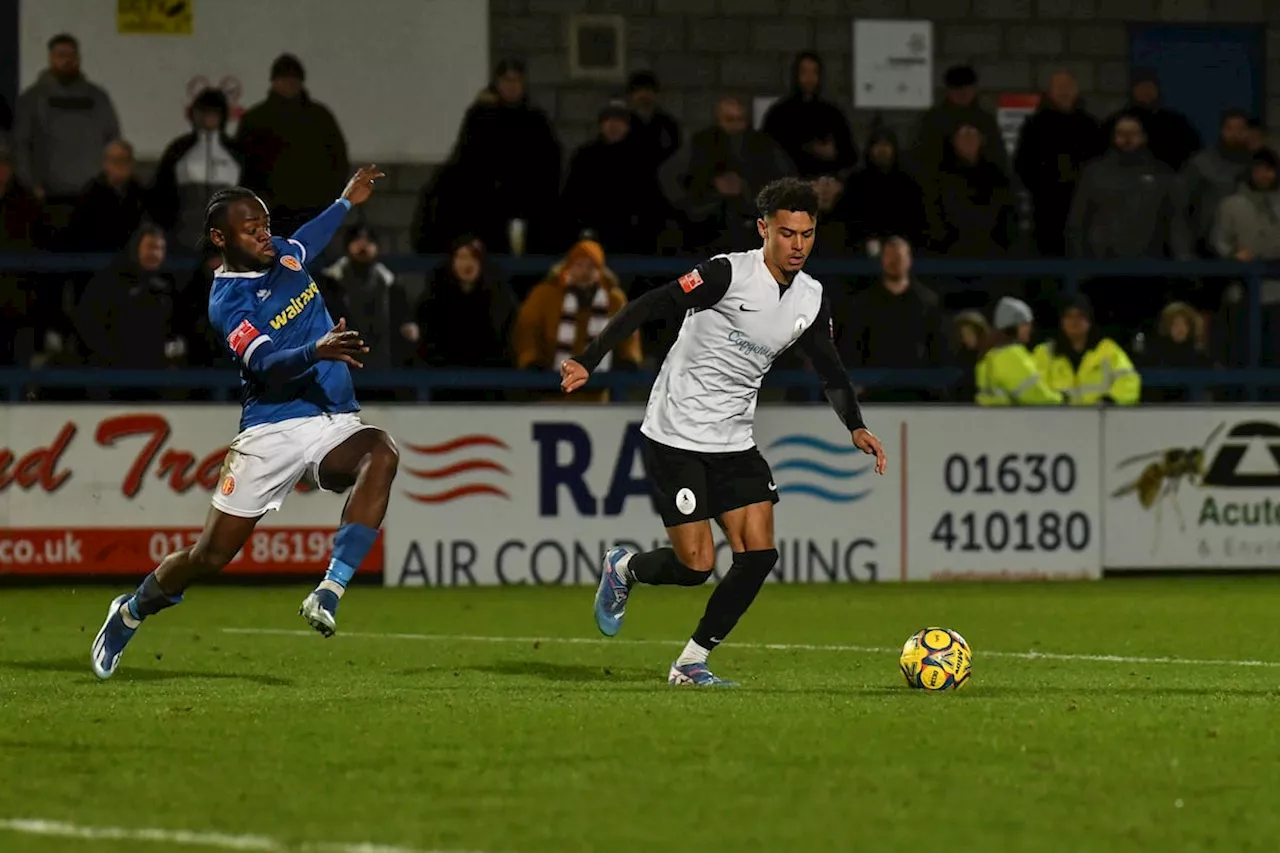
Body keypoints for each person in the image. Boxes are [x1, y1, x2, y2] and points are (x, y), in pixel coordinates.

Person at [559, 178, 887, 686]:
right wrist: (589, 359)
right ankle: (623, 569)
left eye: (807, 234)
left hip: (734, 439)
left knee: (758, 554)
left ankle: (691, 662)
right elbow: (652, 304)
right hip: (676, 431)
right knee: (695, 566)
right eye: (786, 233)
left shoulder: (811, 297)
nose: (797, 244)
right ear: (763, 230)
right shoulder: (727, 274)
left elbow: (829, 367)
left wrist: (856, 426)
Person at [90, 165, 398, 680]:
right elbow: (265, 365)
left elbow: (309, 238)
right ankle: (130, 610)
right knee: (210, 556)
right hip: (270, 430)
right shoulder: (226, 301)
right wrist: (316, 348)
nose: (263, 233)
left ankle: (329, 590)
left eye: (265, 223)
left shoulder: (287, 255)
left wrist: (347, 200)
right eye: (250, 228)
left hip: (331, 421)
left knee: (381, 452)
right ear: (220, 237)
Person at [1031, 295, 1141, 405]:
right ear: (1061, 321)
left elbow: (1129, 382)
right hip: (1057, 420)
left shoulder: (1108, 350)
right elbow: (1035, 389)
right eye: (1069, 316)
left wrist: (1111, 402)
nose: (1074, 321)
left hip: (1100, 418)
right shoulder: (1045, 353)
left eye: (1080, 316)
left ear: (1089, 321)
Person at [975, 297, 1063, 406]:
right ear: (1013, 326)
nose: (1030, 329)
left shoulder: (989, 355)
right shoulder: (1011, 355)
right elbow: (1036, 395)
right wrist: (1062, 399)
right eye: (1026, 324)